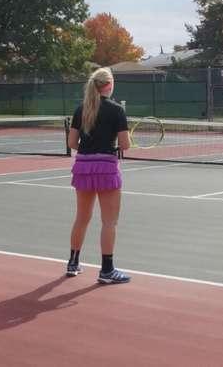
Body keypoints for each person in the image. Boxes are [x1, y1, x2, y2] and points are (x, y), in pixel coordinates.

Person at [66, 67, 131, 284]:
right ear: (109, 85)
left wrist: (89, 148)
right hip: (106, 167)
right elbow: (125, 145)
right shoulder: (117, 110)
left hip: (83, 167)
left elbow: (72, 143)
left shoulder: (80, 110)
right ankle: (107, 270)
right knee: (109, 222)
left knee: (81, 218)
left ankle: (73, 263)